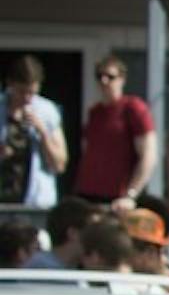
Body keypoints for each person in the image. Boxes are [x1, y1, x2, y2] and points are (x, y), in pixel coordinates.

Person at [75, 55, 157, 206]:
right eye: (99, 76)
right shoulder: (94, 112)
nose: (104, 81)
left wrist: (131, 195)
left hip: (118, 198)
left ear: (122, 79)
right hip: (89, 194)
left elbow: (148, 156)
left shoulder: (133, 108)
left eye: (110, 77)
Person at [4, 55, 66, 208]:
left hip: (36, 203)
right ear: (10, 84)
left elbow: (59, 165)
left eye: (31, 93)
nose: (26, 98)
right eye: (21, 92)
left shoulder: (47, 111)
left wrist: (43, 133)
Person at [26, 197, 95, 270]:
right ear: (73, 233)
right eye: (92, 231)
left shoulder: (81, 268)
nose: (97, 237)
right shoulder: (40, 268)